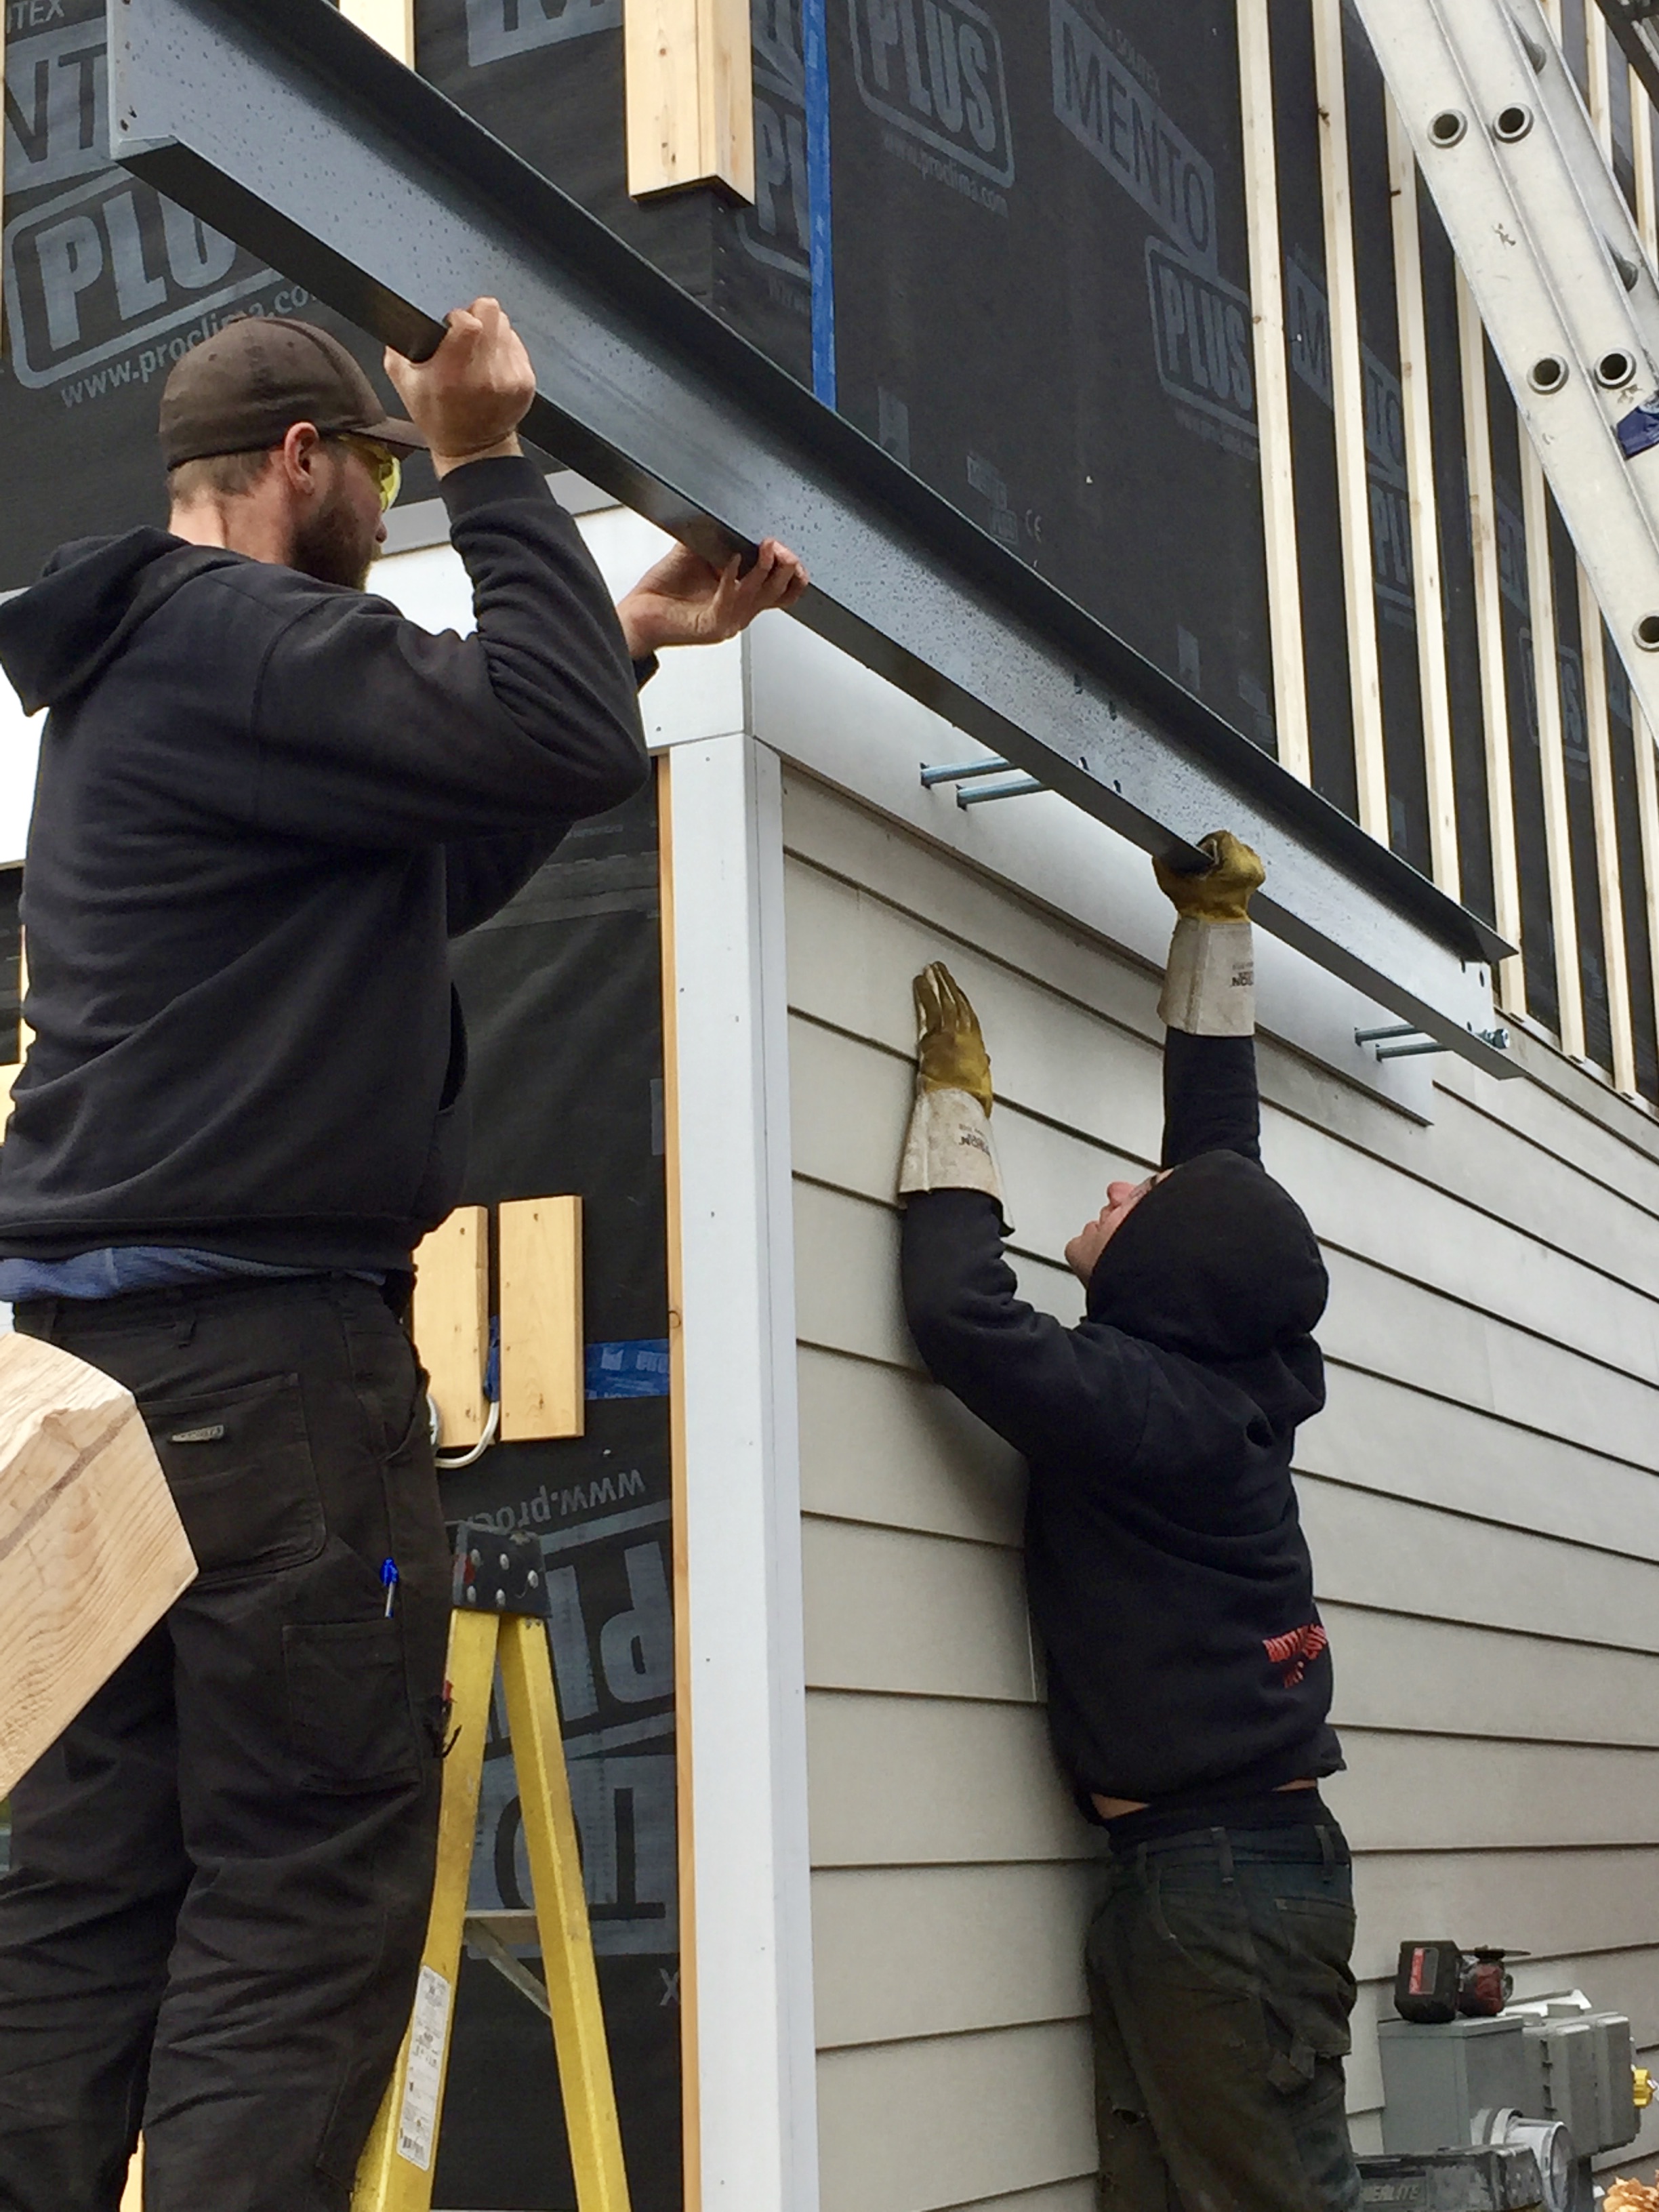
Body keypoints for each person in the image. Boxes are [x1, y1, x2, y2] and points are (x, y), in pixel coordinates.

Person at [0, 301, 806, 2212]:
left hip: (97, 1383)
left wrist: (618, 635)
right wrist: (491, 459)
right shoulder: (253, 633)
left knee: (83, 1894)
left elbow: (436, 857)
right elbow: (538, 735)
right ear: (305, 463)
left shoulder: (151, 674)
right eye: (378, 470)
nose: (391, 502)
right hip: (268, 1380)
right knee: (303, 1889)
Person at [897, 832, 1360, 2212]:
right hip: (1217, 1877)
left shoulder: (1150, 1409)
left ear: (1168, 1270)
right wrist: (1215, 931)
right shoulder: (1224, 1369)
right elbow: (1221, 1163)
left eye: (1132, 1201)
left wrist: (956, 1116)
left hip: (1220, 1890)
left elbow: (961, 1316)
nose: (1112, 1189)